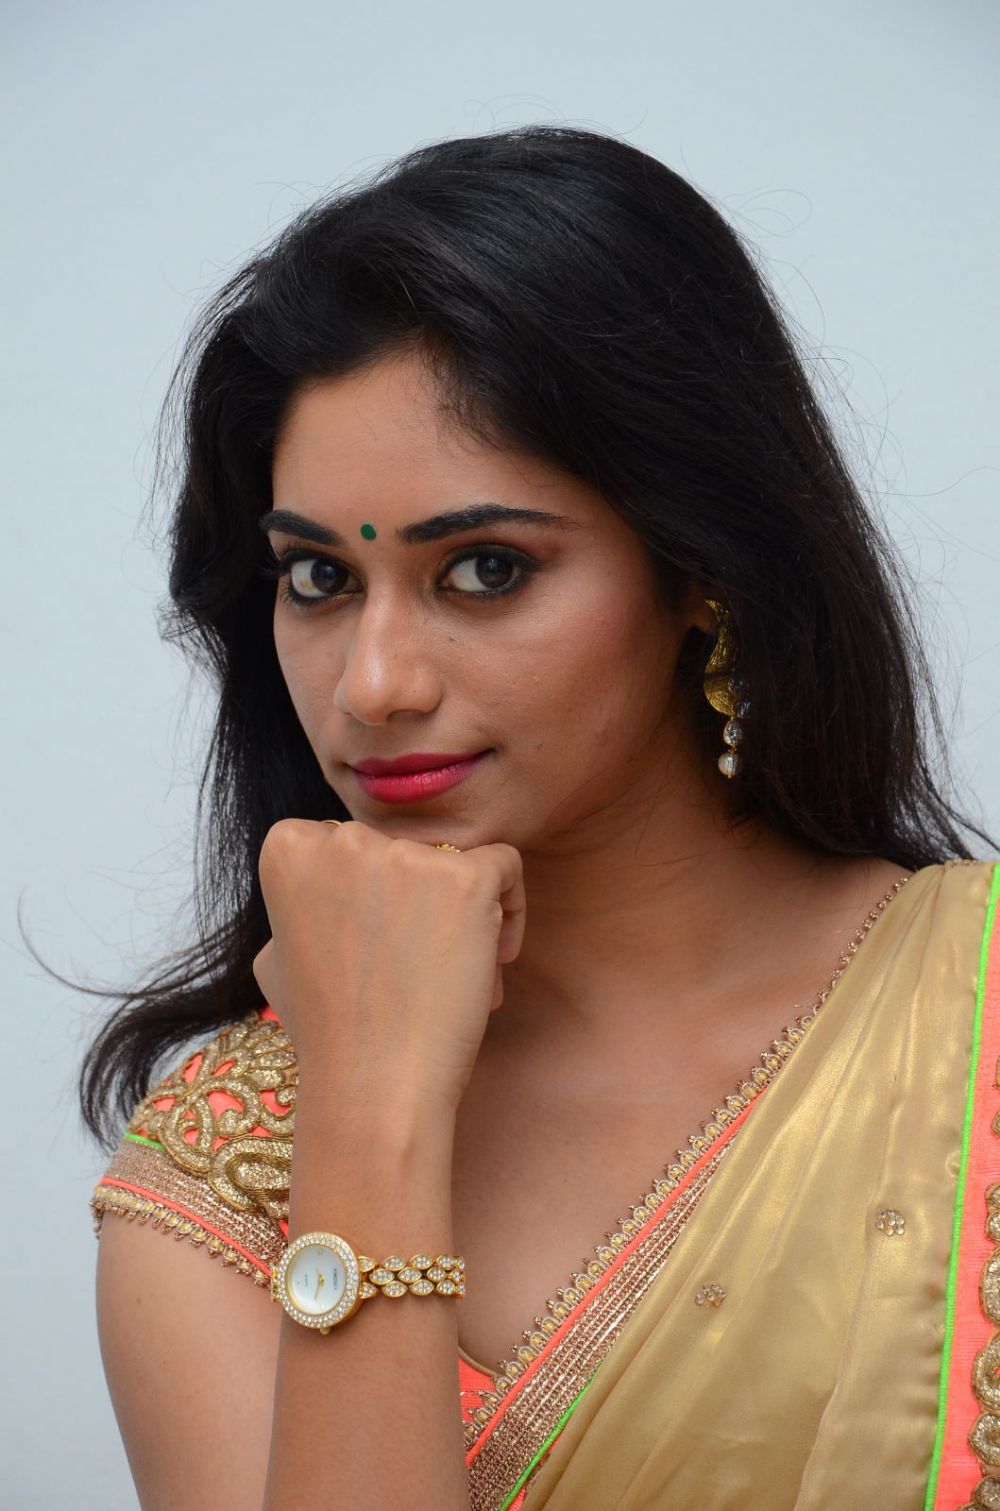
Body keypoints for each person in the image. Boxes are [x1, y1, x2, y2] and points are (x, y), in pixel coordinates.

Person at [82, 123, 1000, 1510]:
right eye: (319, 580)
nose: (375, 685)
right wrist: (371, 1110)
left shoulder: (971, 1012)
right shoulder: (226, 1167)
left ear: (700, 569)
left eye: (487, 570)